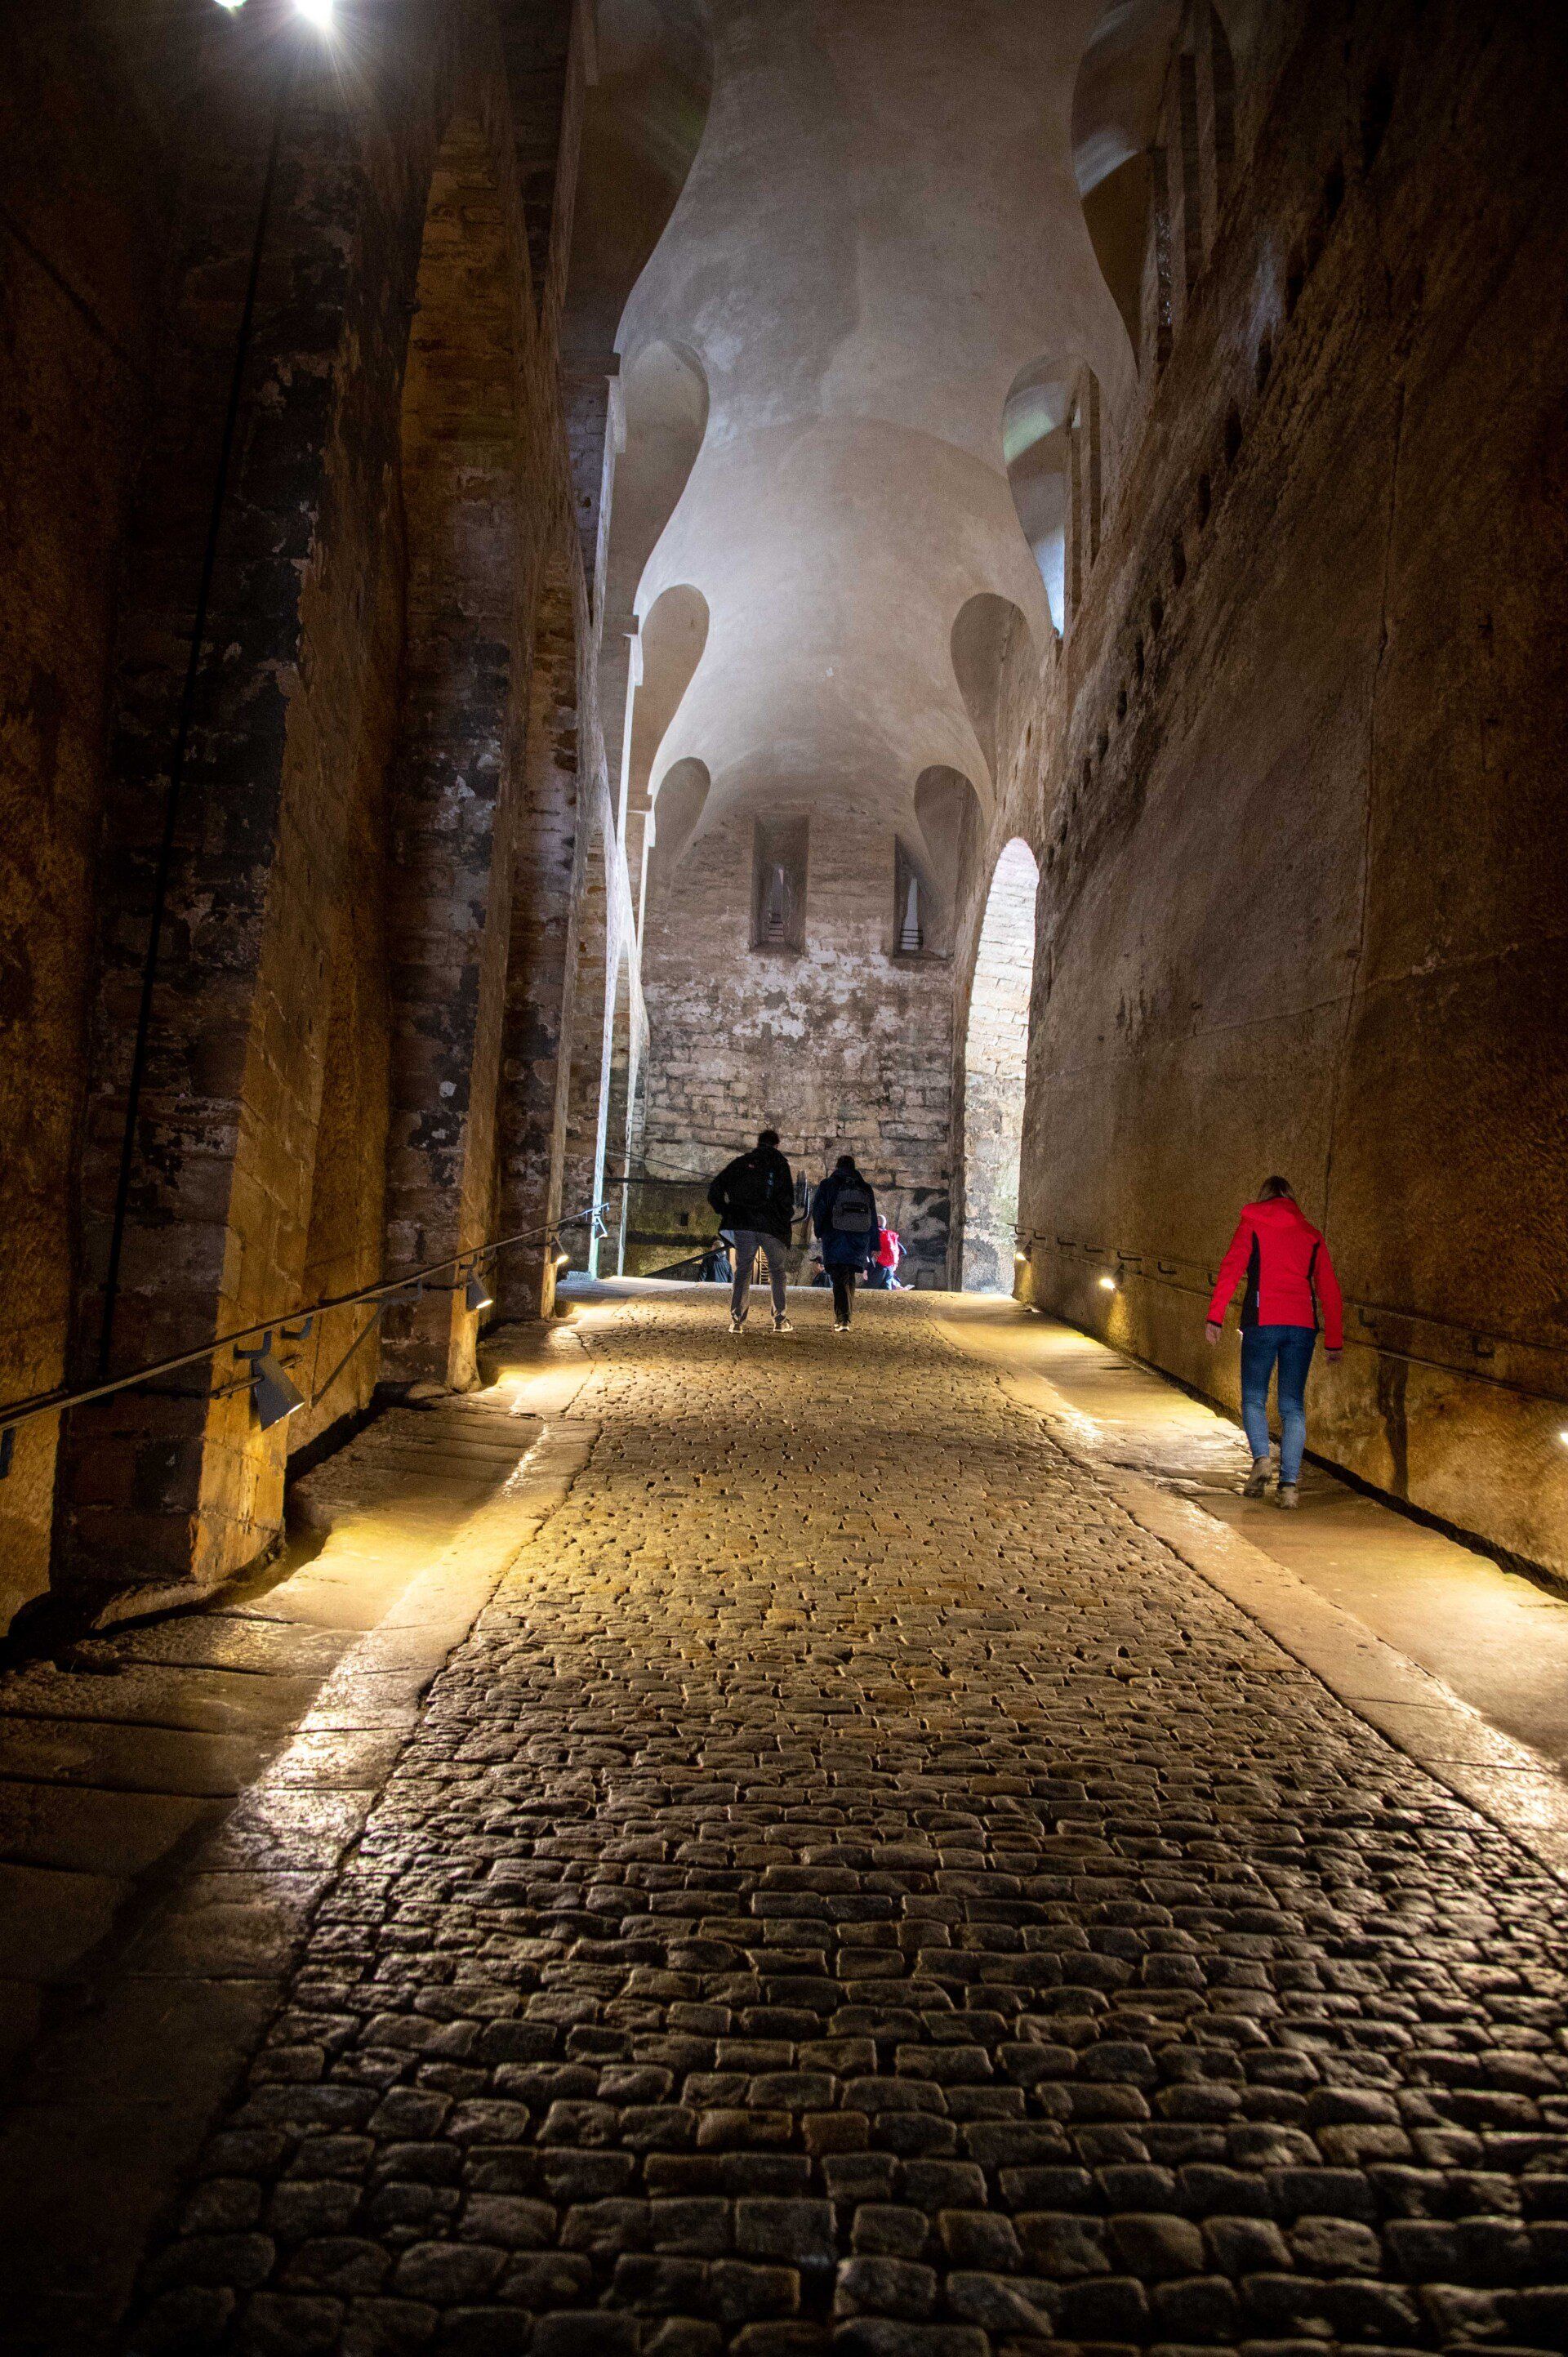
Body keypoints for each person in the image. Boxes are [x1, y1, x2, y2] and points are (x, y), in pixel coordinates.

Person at [1205, 1174, 1343, 1508]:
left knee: (1254, 1399)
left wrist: (1215, 1316)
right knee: (1292, 1407)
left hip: (1262, 1322)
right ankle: (1289, 1487)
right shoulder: (1311, 1234)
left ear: (1263, 1196)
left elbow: (1231, 1269)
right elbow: (1329, 1289)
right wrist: (1334, 1340)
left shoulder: (1252, 1223)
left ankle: (1262, 1459)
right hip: (1302, 1326)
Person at [708, 1129, 795, 1334]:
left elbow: (716, 1188)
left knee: (743, 1271)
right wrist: (783, 1218)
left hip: (744, 1224)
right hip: (772, 1227)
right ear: (777, 1145)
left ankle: (737, 1321)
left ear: (758, 1143)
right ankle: (780, 1320)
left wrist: (726, 1211)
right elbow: (787, 1199)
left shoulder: (743, 1162)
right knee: (777, 1272)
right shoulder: (780, 1164)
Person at [812, 1154, 879, 1331]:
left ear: (837, 1166)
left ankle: (844, 1318)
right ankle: (845, 1316)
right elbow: (872, 1217)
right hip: (859, 1238)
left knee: (839, 1275)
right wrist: (875, 1244)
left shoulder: (828, 1184)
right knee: (849, 1275)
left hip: (835, 1236)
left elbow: (818, 1210)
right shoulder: (865, 1187)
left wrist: (819, 1231)